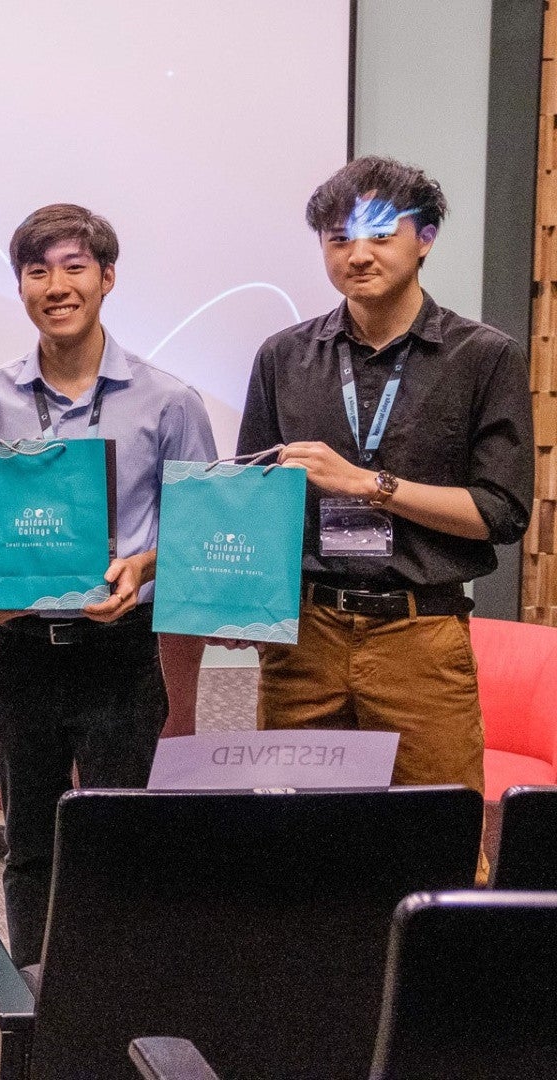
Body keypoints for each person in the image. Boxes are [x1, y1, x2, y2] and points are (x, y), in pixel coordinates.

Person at [0, 203, 217, 965]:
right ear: (21, 288)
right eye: (37, 271)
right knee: (29, 852)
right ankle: (35, 1011)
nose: (56, 285)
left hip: (119, 654)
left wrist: (144, 566)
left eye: (74, 266)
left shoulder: (170, 401)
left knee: (116, 846)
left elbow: (201, 537)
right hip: (20, 655)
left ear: (107, 278)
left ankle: (113, 1010)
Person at [236, 157, 532, 792]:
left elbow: (502, 513)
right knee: (293, 839)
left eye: (379, 234)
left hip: (420, 636)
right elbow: (252, 504)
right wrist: (236, 608)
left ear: (424, 239)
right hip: (304, 637)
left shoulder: (483, 357)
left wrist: (370, 484)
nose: (357, 253)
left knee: (440, 838)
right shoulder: (285, 356)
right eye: (339, 238)